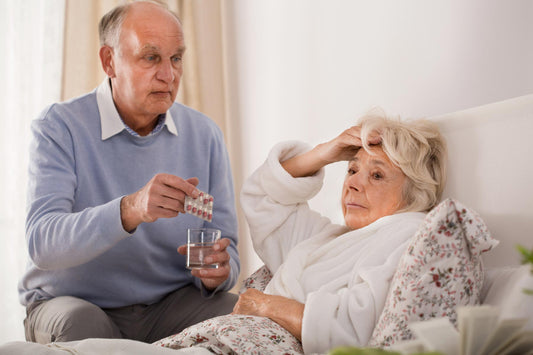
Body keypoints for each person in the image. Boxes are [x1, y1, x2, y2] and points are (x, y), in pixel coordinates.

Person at [19, 0, 239, 344]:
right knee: (82, 324)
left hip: (168, 305)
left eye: (176, 58)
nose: (169, 74)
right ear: (109, 61)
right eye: (151, 57)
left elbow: (227, 248)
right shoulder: (59, 127)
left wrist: (218, 271)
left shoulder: (204, 134)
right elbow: (42, 244)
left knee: (242, 314)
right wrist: (130, 209)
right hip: (74, 304)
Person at [231, 112, 447, 354]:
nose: (352, 183)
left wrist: (266, 306)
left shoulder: (408, 237)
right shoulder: (330, 238)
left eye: (377, 175)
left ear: (414, 191)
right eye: (352, 170)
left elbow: (355, 333)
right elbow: (263, 196)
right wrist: (323, 152)